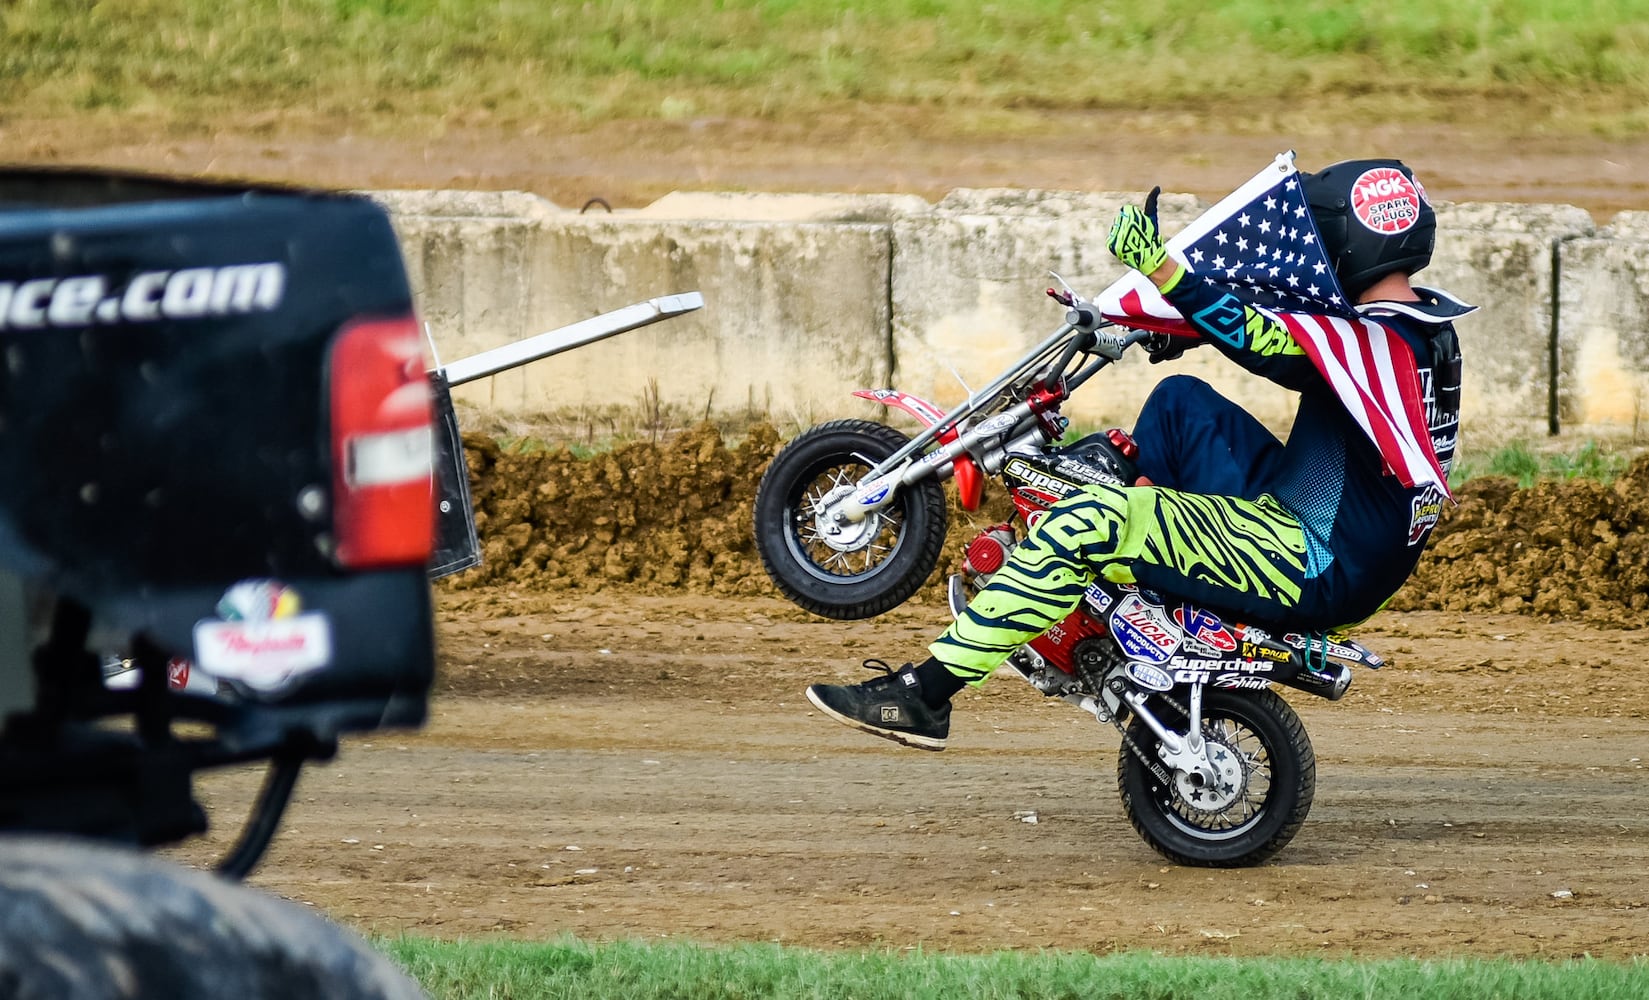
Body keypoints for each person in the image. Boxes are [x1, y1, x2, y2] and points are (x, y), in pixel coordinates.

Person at [805, 158, 1472, 751]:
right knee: (1180, 404)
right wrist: (1176, 334)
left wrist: (1162, 272)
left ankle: (922, 694)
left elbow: (1273, 346)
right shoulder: (1414, 329)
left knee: (1090, 523)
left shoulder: (1379, 343)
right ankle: (1108, 577)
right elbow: (1304, 341)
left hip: (1311, 558)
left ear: (1346, 240)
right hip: (1333, 529)